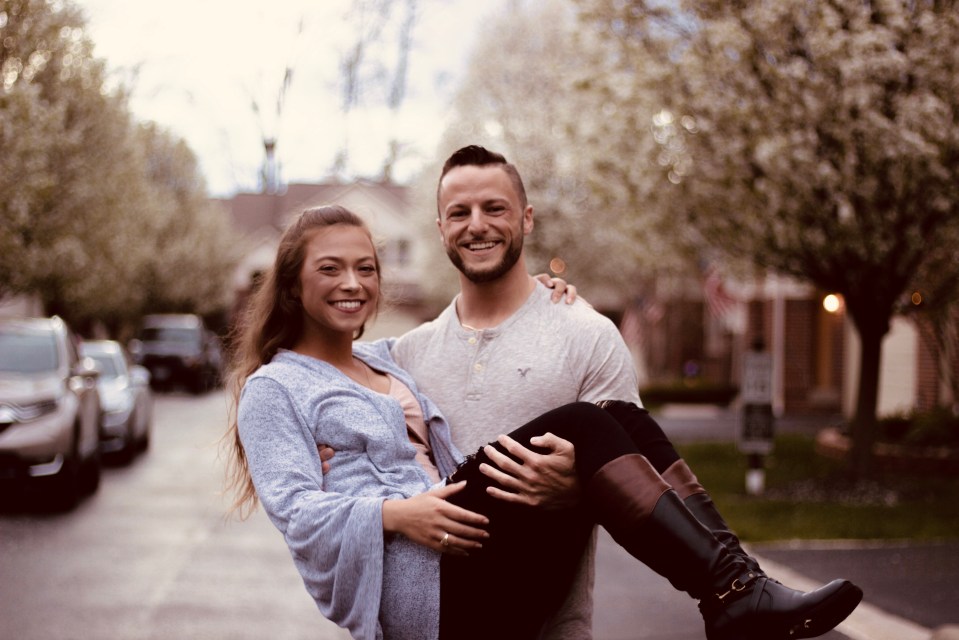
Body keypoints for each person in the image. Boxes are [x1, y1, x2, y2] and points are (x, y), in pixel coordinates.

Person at [225, 204, 863, 640]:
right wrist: (393, 514)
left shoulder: (384, 360)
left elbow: (471, 325)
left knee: (617, 415)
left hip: (466, 553)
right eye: (330, 268)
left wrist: (538, 294)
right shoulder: (275, 388)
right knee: (584, 424)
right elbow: (296, 512)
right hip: (420, 586)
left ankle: (737, 586)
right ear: (292, 286)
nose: (353, 283)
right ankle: (734, 595)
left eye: (365, 268)